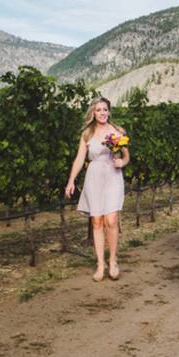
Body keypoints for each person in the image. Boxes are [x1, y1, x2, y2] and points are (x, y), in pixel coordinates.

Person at [65, 97, 129, 282]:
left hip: (112, 175)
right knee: (97, 221)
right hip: (94, 176)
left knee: (111, 219)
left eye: (105, 109)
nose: (102, 113)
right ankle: (100, 264)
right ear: (93, 112)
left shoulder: (117, 132)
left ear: (109, 111)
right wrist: (71, 181)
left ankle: (113, 260)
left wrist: (121, 162)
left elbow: (126, 157)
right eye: (98, 110)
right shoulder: (87, 134)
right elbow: (79, 159)